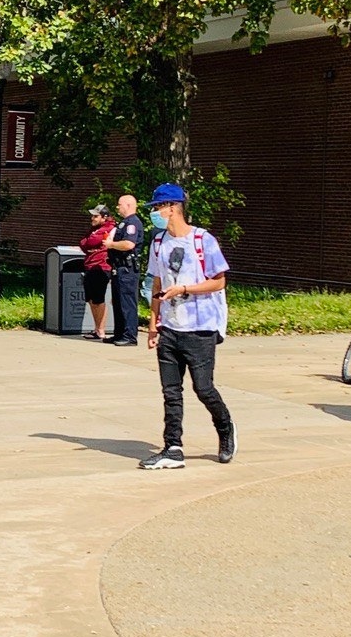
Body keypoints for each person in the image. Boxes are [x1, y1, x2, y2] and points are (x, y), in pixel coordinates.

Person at [138, 182, 236, 469]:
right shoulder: (158, 242)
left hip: (200, 327)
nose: (154, 213)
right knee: (171, 391)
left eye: (158, 207)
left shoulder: (203, 240)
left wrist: (184, 289)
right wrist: (153, 323)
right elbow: (157, 283)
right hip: (170, 328)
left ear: (173, 208)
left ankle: (225, 428)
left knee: (203, 388)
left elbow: (219, 282)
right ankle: (173, 447)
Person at [102, 194, 144, 346]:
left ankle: (130, 336)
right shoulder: (124, 223)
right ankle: (119, 333)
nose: (117, 207)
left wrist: (111, 245)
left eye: (119, 204)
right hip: (119, 267)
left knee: (127, 302)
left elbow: (128, 244)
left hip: (127, 269)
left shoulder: (133, 223)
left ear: (128, 205)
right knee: (119, 302)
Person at [79, 204, 116, 340]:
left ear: (104, 217)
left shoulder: (108, 228)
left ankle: (101, 330)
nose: (92, 218)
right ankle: (96, 329)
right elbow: (83, 243)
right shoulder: (95, 229)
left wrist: (90, 244)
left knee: (98, 299)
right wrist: (89, 243)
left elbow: (91, 242)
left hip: (101, 267)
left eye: (96, 216)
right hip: (90, 266)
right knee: (91, 300)